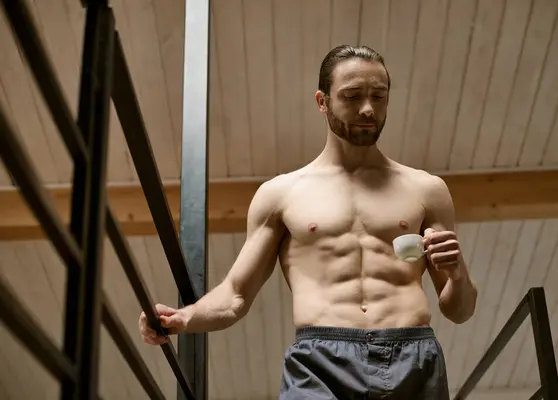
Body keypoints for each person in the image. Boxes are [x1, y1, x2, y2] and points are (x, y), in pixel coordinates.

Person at [139, 44, 478, 399]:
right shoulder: (283, 194)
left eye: (379, 96)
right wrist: (182, 318)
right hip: (320, 361)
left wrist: (457, 273)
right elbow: (236, 295)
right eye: (352, 96)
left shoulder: (426, 189)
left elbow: (459, 310)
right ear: (322, 101)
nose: (368, 109)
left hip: (413, 357)